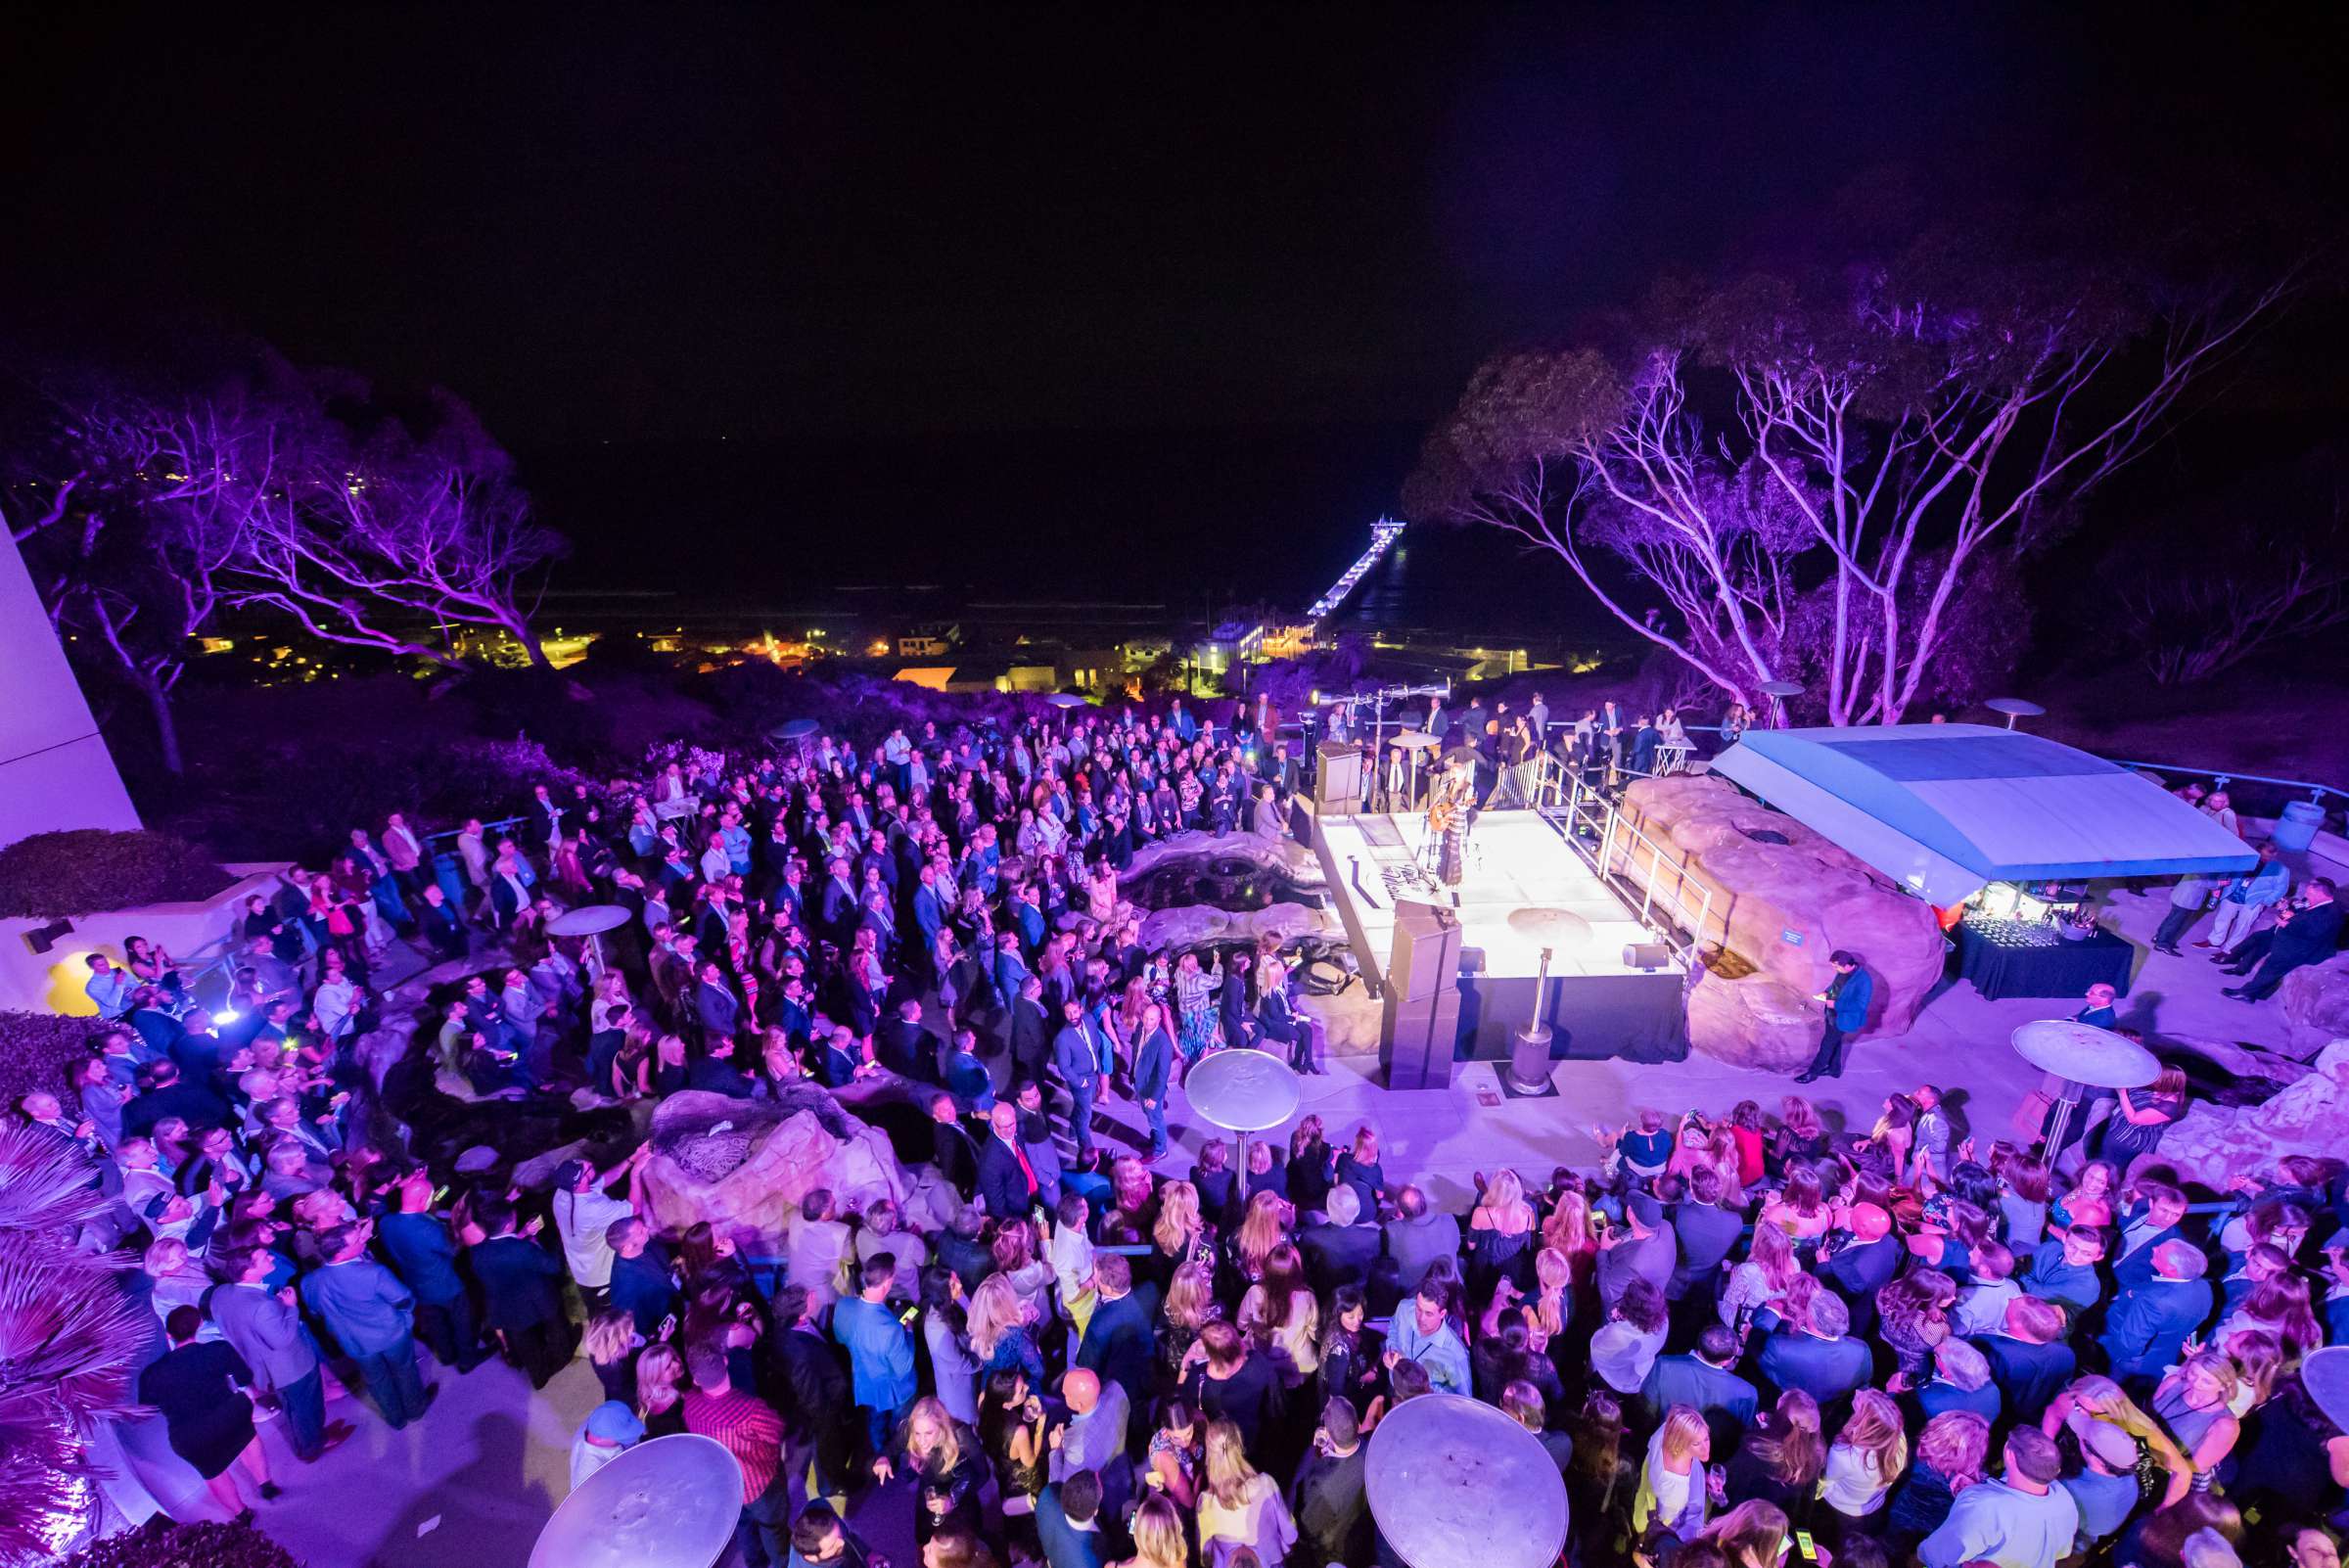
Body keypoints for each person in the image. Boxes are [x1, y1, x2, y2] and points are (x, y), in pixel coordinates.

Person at [140, 1306, 281, 1515]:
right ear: (199, 1326)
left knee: (213, 1473)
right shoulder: (218, 1350)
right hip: (228, 1415)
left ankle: (241, 1514)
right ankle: (265, 1485)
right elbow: (244, 1379)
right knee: (248, 1441)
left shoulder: (150, 1374)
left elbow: (146, 1409)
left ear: (169, 1335)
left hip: (188, 1435)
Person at [299, 1222, 434, 1430]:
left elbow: (315, 1312)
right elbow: (404, 1299)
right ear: (341, 1251)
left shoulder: (309, 1282)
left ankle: (395, 1419)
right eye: (357, 1240)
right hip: (391, 1334)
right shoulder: (373, 1272)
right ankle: (415, 1409)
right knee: (405, 1371)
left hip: (353, 1342)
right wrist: (406, 1319)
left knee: (376, 1380)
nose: (363, 1240)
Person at [1916, 1427, 2079, 1568]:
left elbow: (1935, 1555)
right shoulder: (2064, 1497)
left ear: (2009, 1455)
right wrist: (1979, 1487)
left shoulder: (1984, 1508)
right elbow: (2062, 1552)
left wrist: (1970, 1497)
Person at [836, 1252, 920, 1461]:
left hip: (865, 1381)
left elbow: (840, 1338)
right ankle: (897, 1457)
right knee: (900, 1424)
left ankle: (879, 1453)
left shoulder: (843, 1305)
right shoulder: (891, 1329)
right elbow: (903, 1368)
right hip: (894, 1389)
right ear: (887, 1282)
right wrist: (907, 1331)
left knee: (874, 1421)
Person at [1796, 950, 1871, 1083]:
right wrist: (1826, 992)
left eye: (1836, 966)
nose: (1834, 969)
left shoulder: (1864, 981)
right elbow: (1836, 985)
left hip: (1843, 1019)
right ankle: (1834, 1070)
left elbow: (1859, 1006)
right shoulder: (1843, 972)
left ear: (1848, 965)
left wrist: (1835, 1004)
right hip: (1831, 1014)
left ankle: (1812, 1073)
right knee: (1834, 1042)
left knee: (1827, 1045)